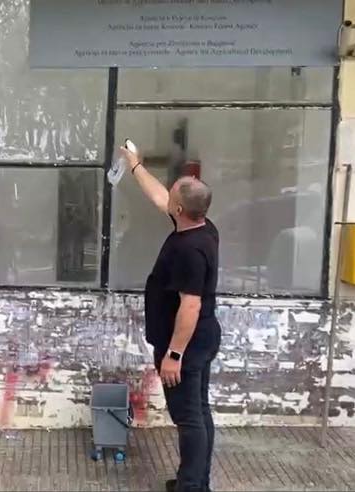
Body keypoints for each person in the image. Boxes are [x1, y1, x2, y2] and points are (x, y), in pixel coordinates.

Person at [119, 146, 221, 492]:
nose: (168, 196)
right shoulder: (202, 227)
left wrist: (174, 354)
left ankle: (191, 487)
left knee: (189, 418)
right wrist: (135, 165)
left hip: (187, 345)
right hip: (203, 337)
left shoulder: (188, 250)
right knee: (199, 412)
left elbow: (190, 306)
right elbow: (160, 197)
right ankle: (196, 482)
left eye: (174, 194)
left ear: (180, 210)